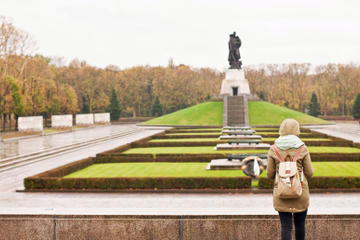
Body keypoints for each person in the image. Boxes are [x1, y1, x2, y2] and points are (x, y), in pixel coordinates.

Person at [267, 119, 313, 240]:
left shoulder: (273, 149)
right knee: (300, 225)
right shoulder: (302, 148)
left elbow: (269, 174)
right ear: (297, 130)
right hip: (300, 192)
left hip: (281, 192)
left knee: (286, 226)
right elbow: (310, 173)